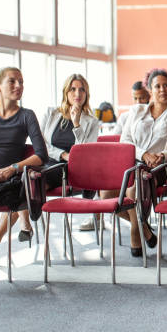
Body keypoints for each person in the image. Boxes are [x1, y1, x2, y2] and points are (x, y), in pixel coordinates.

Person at [0, 67, 48, 275]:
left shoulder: (26, 115)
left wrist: (12, 169)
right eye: (12, 82)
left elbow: (41, 155)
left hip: (8, 182)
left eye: (21, 82)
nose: (18, 86)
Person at [116, 69, 167, 256]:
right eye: (157, 86)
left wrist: (162, 155)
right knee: (106, 194)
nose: (162, 89)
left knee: (133, 187)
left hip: (160, 166)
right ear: (150, 89)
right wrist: (143, 154)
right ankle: (143, 227)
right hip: (134, 161)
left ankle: (135, 234)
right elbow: (125, 141)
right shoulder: (136, 110)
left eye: (166, 85)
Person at [38, 75, 100, 233]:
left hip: (76, 169)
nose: (77, 93)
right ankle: (31, 208)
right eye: (73, 89)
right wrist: (63, 155)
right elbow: (41, 144)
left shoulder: (91, 121)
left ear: (87, 94)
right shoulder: (51, 113)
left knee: (36, 180)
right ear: (66, 92)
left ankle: (32, 205)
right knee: (31, 176)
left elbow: (86, 151)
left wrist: (77, 123)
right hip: (51, 162)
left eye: (82, 90)